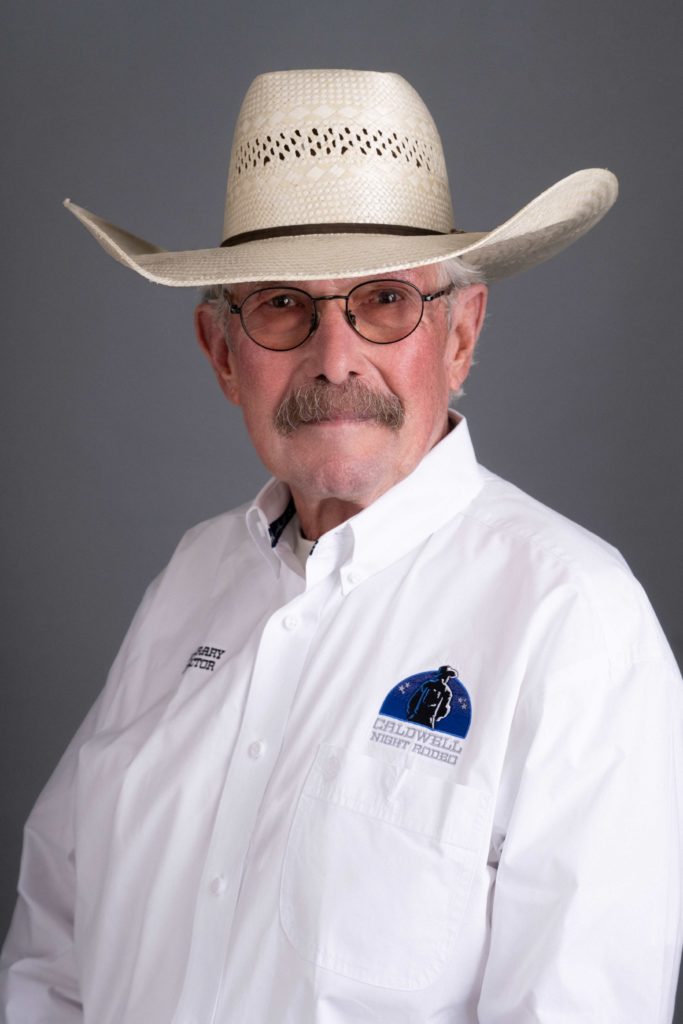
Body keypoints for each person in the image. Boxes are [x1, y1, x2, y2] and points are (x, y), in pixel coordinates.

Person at [1, 68, 681, 1024]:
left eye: (385, 299)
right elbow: (52, 957)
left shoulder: (572, 622)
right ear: (221, 352)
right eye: (283, 303)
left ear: (459, 334)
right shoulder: (190, 582)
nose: (333, 356)